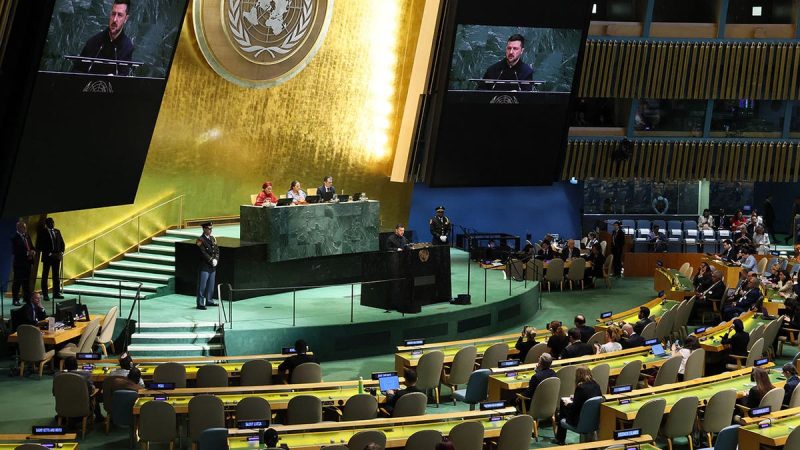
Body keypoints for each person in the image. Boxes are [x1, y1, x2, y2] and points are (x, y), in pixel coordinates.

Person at [73, 0, 135, 75]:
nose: (114, 19)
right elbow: (76, 70)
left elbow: (123, 76)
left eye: (119, 15)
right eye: (113, 14)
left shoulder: (127, 47)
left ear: (126, 19)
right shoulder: (94, 42)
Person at [553, 366, 602, 445]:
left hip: (580, 421)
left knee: (562, 406)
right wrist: (575, 398)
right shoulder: (596, 385)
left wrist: (568, 404)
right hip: (595, 420)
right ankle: (559, 438)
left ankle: (560, 439)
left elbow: (574, 408)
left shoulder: (580, 388)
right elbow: (587, 399)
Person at [35, 218, 66, 301]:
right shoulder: (42, 232)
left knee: (56, 276)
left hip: (57, 257)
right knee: (45, 276)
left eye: (52, 222)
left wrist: (61, 252)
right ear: (46, 224)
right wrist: (49, 253)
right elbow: (39, 245)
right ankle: (45, 294)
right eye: (50, 223)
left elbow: (62, 243)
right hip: (47, 257)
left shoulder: (57, 231)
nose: (52, 224)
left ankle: (56, 293)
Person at [195, 222, 219, 310]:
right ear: (204, 229)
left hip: (212, 266)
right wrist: (211, 260)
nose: (210, 230)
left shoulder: (212, 238)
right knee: (202, 286)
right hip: (204, 266)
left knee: (211, 285)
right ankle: (200, 303)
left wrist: (216, 259)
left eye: (211, 229)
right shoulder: (200, 240)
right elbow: (202, 253)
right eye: (209, 229)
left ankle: (209, 301)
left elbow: (217, 250)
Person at [11, 221, 35, 306]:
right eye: (23, 227)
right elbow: (15, 251)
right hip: (19, 264)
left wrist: (33, 251)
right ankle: (15, 299)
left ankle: (27, 298)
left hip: (28, 263)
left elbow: (32, 247)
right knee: (17, 282)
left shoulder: (27, 236)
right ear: (18, 228)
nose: (25, 229)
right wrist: (27, 253)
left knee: (26, 282)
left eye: (25, 227)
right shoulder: (14, 238)